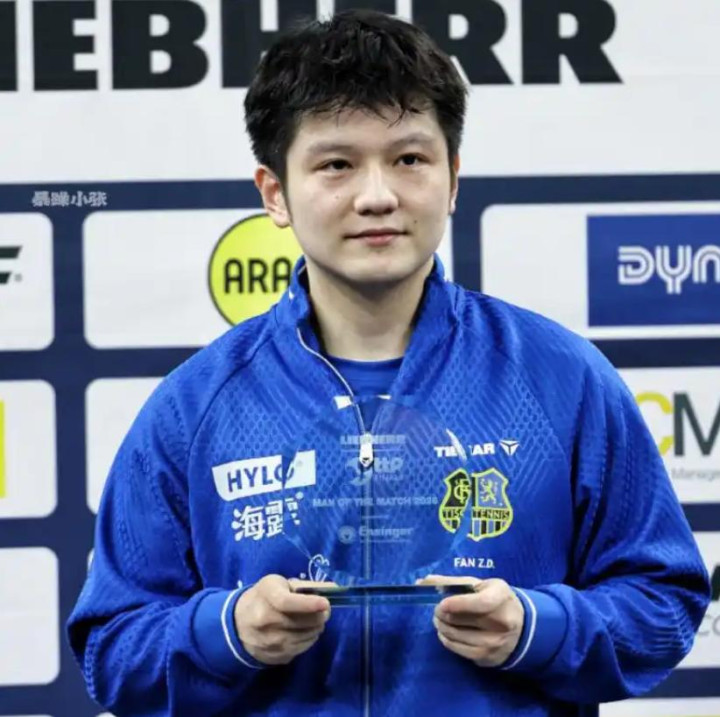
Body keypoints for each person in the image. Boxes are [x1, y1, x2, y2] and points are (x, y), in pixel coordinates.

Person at [67, 9, 710, 717]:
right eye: (336, 165)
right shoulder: (195, 406)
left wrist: (540, 627)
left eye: (409, 159)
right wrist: (226, 632)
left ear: (453, 178)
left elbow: (664, 601)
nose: (377, 196)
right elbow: (112, 647)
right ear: (275, 193)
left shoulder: (561, 378)